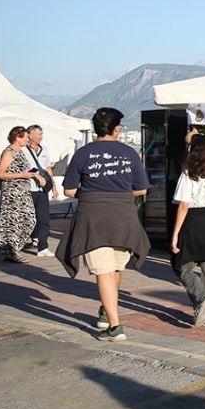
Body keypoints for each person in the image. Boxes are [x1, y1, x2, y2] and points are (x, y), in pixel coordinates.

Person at [58, 107, 151, 342]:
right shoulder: (129, 153)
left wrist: (92, 193)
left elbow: (69, 190)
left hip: (94, 219)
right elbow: (141, 189)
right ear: (116, 129)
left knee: (105, 271)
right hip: (124, 218)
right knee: (115, 269)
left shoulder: (83, 153)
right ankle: (106, 311)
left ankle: (115, 326)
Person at [171, 143, 205, 327]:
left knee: (182, 267)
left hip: (192, 221)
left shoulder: (189, 174)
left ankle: (202, 299)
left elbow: (183, 205)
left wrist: (175, 234)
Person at [0, 126, 41, 264]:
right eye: (26, 137)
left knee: (29, 220)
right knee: (12, 224)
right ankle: (11, 252)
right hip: (12, 193)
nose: (28, 139)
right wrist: (22, 174)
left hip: (23, 192)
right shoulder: (9, 152)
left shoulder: (20, 152)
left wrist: (32, 175)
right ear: (17, 137)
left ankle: (12, 249)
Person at [22, 125, 61, 257]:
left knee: (44, 218)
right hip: (28, 188)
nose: (41, 137)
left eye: (42, 134)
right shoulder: (23, 150)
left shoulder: (44, 149)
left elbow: (48, 169)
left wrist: (54, 187)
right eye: (39, 134)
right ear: (30, 134)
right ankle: (28, 240)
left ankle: (43, 247)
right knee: (28, 217)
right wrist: (35, 176)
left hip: (42, 189)